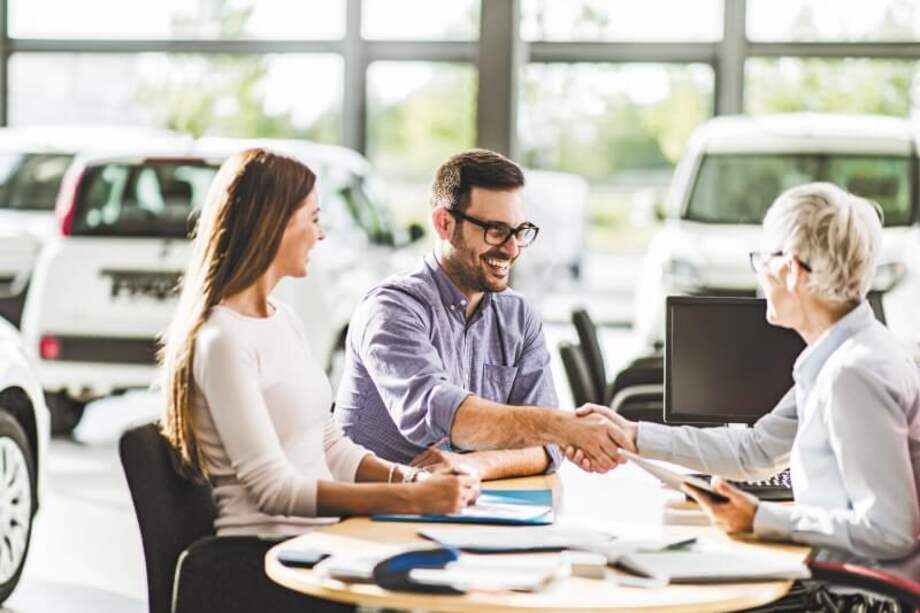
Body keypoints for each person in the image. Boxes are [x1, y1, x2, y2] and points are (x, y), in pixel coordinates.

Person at [572, 183, 920, 587]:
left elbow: (888, 531)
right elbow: (756, 451)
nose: (760, 275)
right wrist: (633, 435)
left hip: (854, 594)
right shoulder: (842, 355)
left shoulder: (852, 373)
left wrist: (761, 518)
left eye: (763, 259)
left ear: (790, 270)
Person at [160, 148, 480, 538]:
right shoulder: (221, 340)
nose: (321, 234)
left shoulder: (283, 319)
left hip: (320, 539)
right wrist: (412, 501)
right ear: (272, 225)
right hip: (260, 558)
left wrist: (413, 480)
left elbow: (329, 446)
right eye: (313, 219)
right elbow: (274, 491)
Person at [335, 149, 634, 480]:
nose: (512, 248)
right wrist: (562, 427)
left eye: (519, 231)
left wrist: (476, 465)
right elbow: (445, 417)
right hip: (374, 513)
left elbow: (546, 449)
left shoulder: (517, 316)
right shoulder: (391, 310)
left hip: (468, 505)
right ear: (444, 223)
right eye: (495, 230)